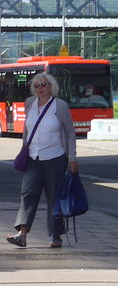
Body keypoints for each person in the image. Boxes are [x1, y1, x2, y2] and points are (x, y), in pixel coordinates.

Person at [7, 73, 77, 249]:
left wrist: (72, 158)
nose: (40, 88)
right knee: (27, 195)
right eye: (37, 85)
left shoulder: (60, 106)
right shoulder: (29, 104)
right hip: (33, 158)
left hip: (55, 157)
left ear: (51, 86)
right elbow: (27, 130)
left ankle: (56, 235)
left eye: (44, 84)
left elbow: (70, 132)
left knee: (54, 197)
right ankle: (21, 235)